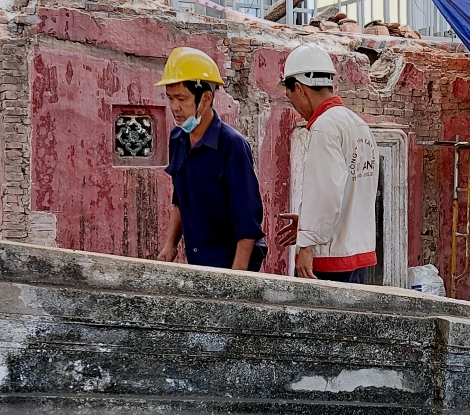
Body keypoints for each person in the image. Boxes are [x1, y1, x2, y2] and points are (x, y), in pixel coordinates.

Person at [155, 47, 267, 271]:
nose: (174, 107)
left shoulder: (232, 145)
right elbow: (180, 197)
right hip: (199, 261)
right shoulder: (177, 138)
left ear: (206, 98)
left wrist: (237, 279)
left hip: (232, 262)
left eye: (182, 99)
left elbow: (247, 221)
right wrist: (170, 245)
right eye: (170, 98)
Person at [274, 44, 377, 282]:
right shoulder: (358, 124)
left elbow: (325, 192)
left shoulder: (324, 127)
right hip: (357, 253)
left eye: (291, 100)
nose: (297, 111)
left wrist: (307, 242)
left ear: (299, 88)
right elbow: (352, 192)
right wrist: (308, 221)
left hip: (330, 259)